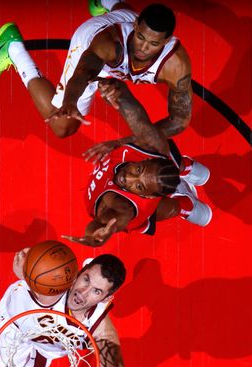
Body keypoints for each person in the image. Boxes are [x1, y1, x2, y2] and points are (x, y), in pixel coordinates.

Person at [0, 1, 192, 141]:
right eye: (141, 38)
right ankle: (12, 48)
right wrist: (70, 102)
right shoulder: (108, 44)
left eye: (153, 43)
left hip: (126, 18)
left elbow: (179, 119)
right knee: (63, 127)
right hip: (90, 41)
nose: (143, 48)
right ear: (136, 27)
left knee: (125, 14)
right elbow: (83, 74)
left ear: (166, 41)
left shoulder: (175, 65)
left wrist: (135, 140)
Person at [61, 78, 211, 247]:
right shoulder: (149, 148)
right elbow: (137, 118)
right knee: (167, 205)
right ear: (145, 159)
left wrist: (93, 238)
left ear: (147, 195)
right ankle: (184, 194)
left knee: (160, 145)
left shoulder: (121, 207)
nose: (128, 178)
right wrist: (117, 93)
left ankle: (183, 183)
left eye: (138, 186)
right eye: (138, 170)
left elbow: (100, 225)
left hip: (154, 169)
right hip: (156, 163)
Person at [0, 249, 130, 367]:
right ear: (80, 272)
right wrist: (27, 274)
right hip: (15, 321)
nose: (83, 292)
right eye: (86, 279)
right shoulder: (54, 277)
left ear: (105, 298)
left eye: (96, 291)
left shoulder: (101, 332)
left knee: (28, 366)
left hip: (49, 342)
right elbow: (27, 265)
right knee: (8, 365)